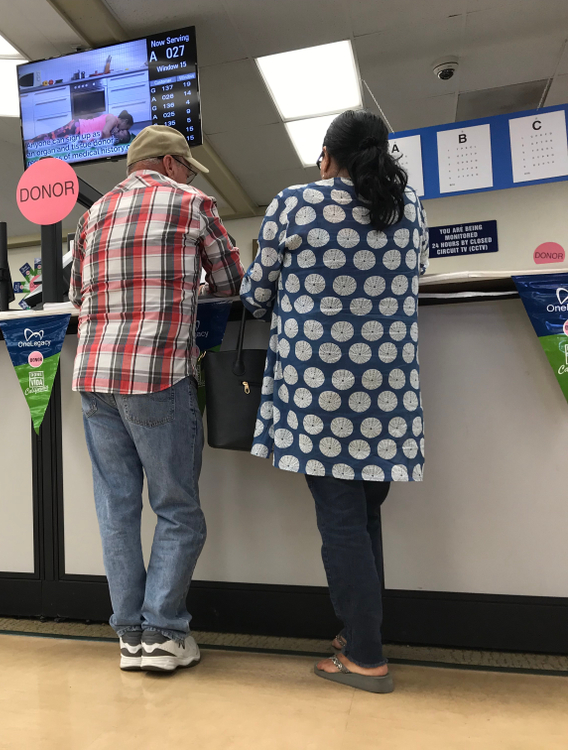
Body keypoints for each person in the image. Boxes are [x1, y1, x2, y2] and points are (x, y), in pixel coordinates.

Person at [240, 109, 429, 694]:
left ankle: (367, 656)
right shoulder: (410, 209)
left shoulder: (296, 204)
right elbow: (417, 271)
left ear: (327, 154)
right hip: (389, 391)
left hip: (319, 391)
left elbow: (255, 293)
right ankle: (359, 632)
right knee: (365, 514)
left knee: (341, 522)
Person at [70, 125, 243, 672]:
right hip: (156, 371)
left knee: (116, 510)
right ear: (169, 164)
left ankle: (130, 637)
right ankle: (164, 633)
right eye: (188, 165)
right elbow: (230, 282)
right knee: (177, 510)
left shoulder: (90, 216)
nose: (191, 175)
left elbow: (77, 296)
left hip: (95, 375)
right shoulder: (192, 203)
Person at [28, 110, 133, 145]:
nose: (124, 130)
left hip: (78, 129)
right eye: (126, 128)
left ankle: (32, 142)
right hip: (78, 128)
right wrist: (108, 146)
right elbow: (105, 131)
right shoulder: (113, 120)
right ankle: (31, 143)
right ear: (125, 121)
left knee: (54, 138)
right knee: (52, 137)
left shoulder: (112, 121)